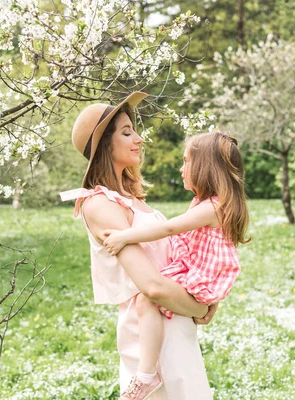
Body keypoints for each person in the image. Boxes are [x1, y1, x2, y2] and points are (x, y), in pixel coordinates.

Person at [60, 92, 216, 400]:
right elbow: (151, 286)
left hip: (174, 319)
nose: (139, 139)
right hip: (149, 332)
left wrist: (209, 296)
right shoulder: (98, 204)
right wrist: (201, 307)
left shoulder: (132, 200)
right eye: (126, 132)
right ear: (105, 144)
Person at [102, 131, 250, 398]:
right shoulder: (210, 204)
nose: (181, 168)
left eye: (186, 161)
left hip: (199, 272)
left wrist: (125, 236)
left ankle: (146, 374)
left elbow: (169, 228)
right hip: (195, 269)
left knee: (146, 301)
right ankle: (148, 371)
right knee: (146, 302)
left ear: (205, 168)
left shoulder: (212, 208)